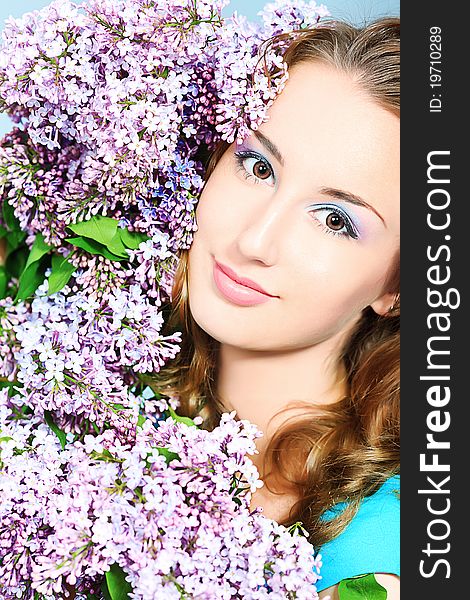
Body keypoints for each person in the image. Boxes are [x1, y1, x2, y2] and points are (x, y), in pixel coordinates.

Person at [154, 17, 400, 599]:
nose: (254, 241)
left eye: (335, 221)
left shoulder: (377, 559)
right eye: (258, 166)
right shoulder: (91, 384)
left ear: (398, 288)